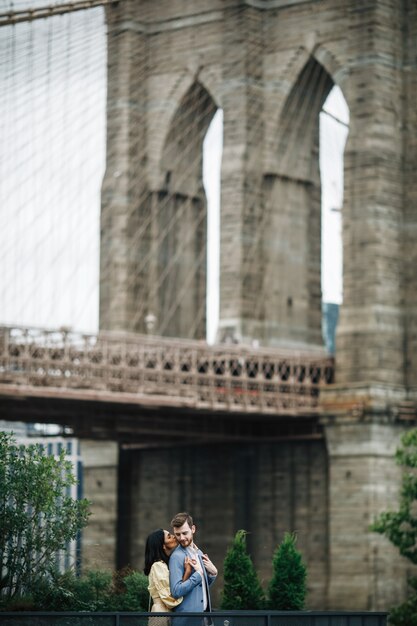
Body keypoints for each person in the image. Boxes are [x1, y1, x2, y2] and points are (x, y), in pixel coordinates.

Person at [169, 512, 217, 622]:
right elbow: (176, 591)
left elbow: (200, 587)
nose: (181, 538)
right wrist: (198, 574)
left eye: (185, 533)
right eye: (177, 534)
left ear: (193, 529)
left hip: (203, 618)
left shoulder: (199, 553)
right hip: (186, 620)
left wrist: (212, 574)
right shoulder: (176, 557)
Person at [144, 528, 194, 624]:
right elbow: (169, 597)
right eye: (169, 536)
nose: (174, 537)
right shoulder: (158, 565)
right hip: (161, 613)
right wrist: (188, 572)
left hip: (166, 612)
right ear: (163, 545)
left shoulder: (163, 564)